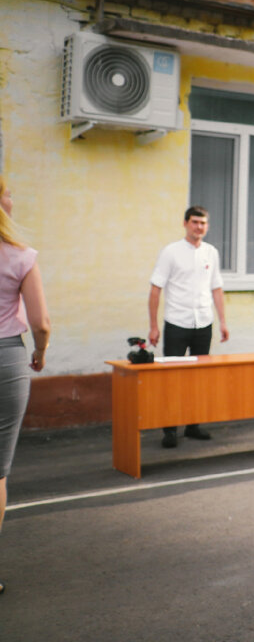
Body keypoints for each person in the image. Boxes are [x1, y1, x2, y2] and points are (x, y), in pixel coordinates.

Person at [0, 176, 50, 596]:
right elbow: (41, 322)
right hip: (6, 359)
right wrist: (40, 353)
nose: (12, 199)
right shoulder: (21, 256)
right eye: (8, 193)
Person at [148, 205, 228, 448]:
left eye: (203, 223)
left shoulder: (211, 252)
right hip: (177, 323)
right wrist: (153, 326)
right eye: (194, 222)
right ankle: (170, 430)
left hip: (203, 322)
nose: (199, 227)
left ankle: (193, 425)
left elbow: (216, 288)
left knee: (198, 378)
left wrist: (223, 321)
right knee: (172, 378)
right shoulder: (170, 252)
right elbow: (155, 290)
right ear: (185, 223)